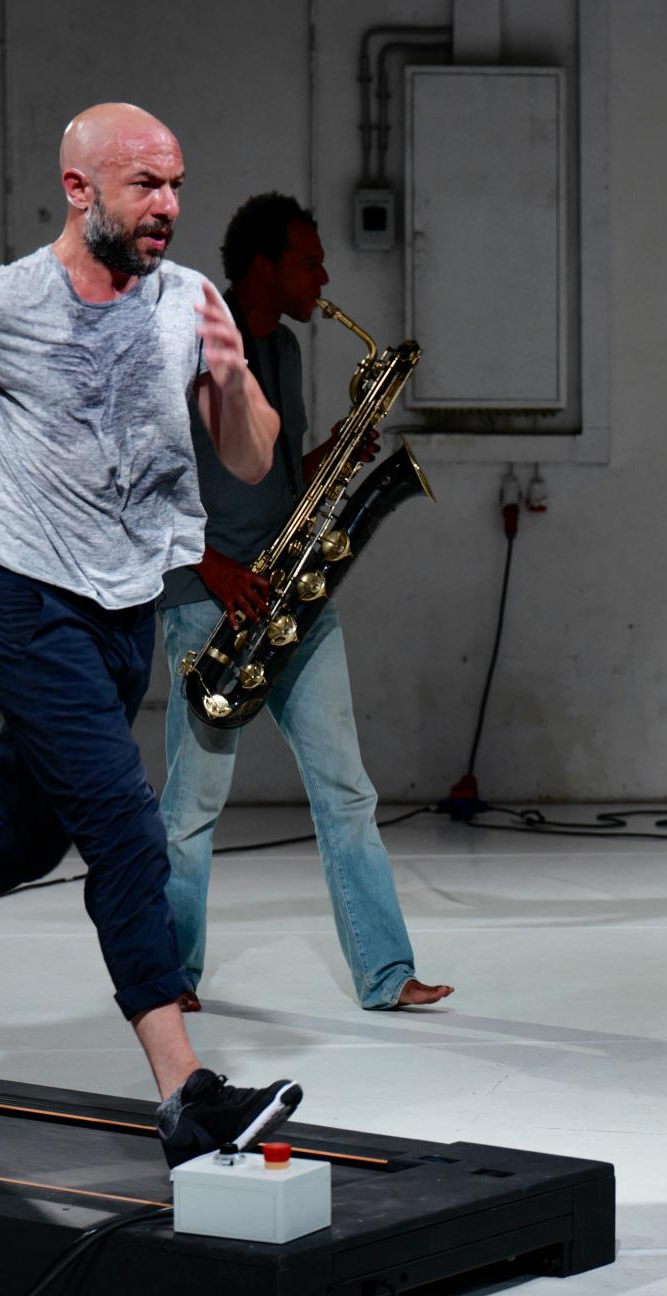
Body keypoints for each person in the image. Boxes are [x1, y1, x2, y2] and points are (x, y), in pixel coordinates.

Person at [0, 103, 300, 1165]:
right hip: (27, 611)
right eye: (145, 186)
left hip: (124, 620)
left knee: (25, 837)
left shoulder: (190, 302)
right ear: (80, 191)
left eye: (176, 185)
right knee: (126, 828)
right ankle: (186, 1093)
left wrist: (233, 379)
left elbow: (252, 458)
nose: (168, 206)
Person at [157, 192, 452, 1011]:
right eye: (309, 263)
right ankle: (169, 978)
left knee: (347, 789)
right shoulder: (188, 346)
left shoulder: (283, 350)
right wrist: (215, 570)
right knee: (191, 805)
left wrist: (335, 451)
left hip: (287, 593)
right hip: (207, 599)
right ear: (263, 266)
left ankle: (386, 974)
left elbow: (279, 478)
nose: (323, 280)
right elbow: (141, 483)